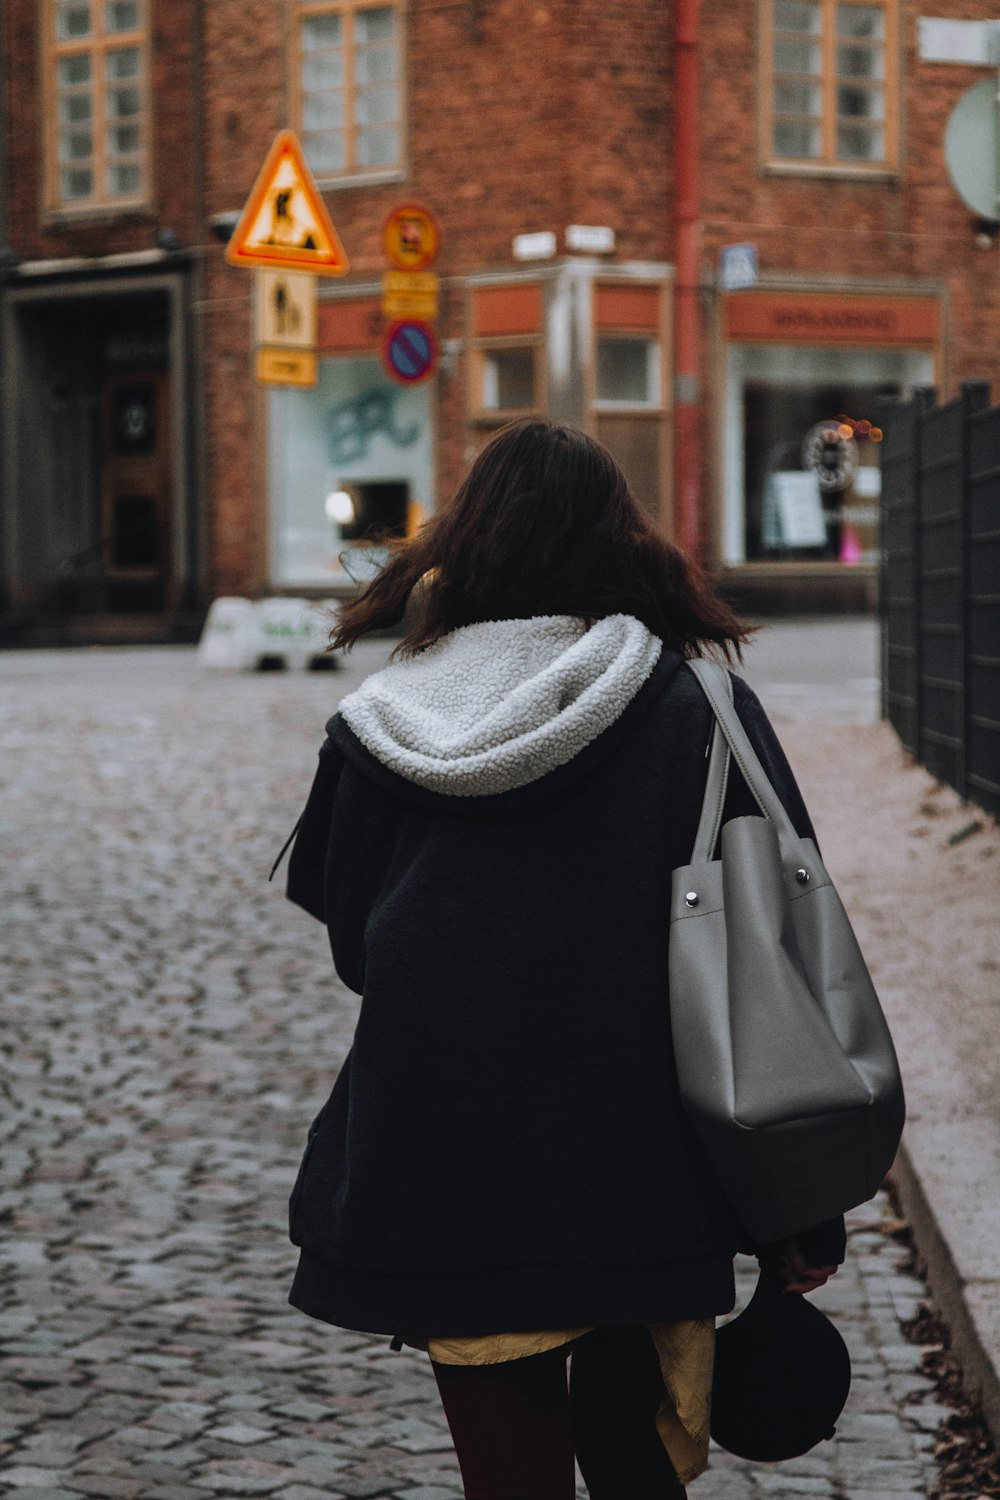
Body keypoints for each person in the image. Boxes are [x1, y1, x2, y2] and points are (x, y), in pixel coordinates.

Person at [282, 419, 845, 1499]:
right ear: (618, 541)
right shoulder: (699, 712)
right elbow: (771, 956)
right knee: (638, 1473)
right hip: (645, 1165)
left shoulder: (378, 723)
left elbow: (357, 945)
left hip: (446, 1162)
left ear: (464, 544)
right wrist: (795, 1206)